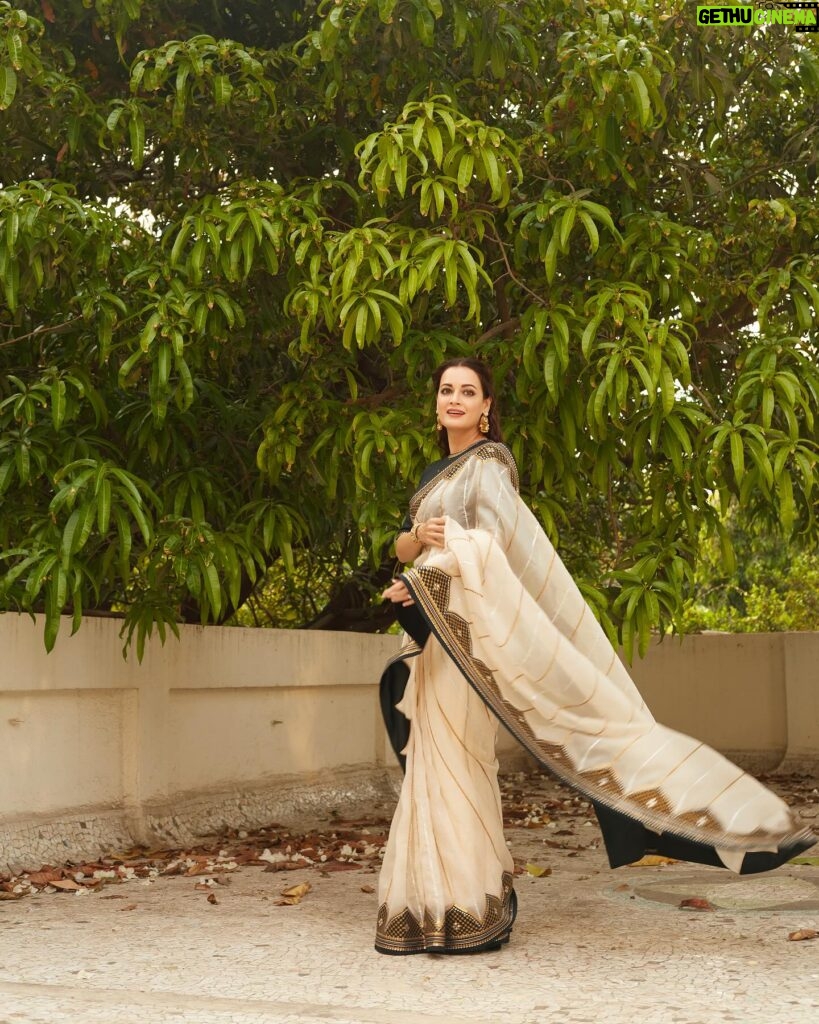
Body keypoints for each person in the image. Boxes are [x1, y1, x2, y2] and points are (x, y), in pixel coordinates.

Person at [375, 357, 816, 957]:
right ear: (436, 404)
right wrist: (418, 544)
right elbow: (403, 539)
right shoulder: (436, 471)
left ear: (486, 410)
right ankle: (423, 907)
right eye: (446, 390)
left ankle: (468, 905)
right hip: (427, 635)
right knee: (430, 764)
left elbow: (496, 552)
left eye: (467, 392)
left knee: (458, 762)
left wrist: (436, 567)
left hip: (462, 637)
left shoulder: (488, 469)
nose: (454, 399)